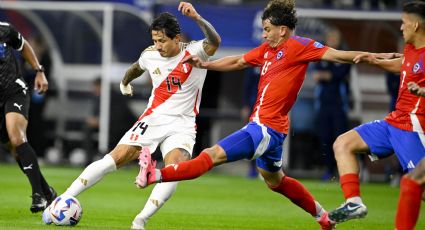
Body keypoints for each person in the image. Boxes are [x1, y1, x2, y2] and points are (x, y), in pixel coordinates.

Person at [135, 1, 375, 229]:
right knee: (276, 181)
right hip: (272, 130)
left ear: (282, 30)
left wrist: (373, 57)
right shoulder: (268, 51)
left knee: (212, 154)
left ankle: (155, 174)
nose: (263, 34)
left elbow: (336, 54)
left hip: (264, 129)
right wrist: (206, 65)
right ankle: (324, 218)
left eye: (267, 30)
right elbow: (239, 61)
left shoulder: (299, 46)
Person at [44, 2, 221, 229]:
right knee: (112, 160)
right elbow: (137, 67)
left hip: (183, 125)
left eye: (162, 41)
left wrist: (196, 17)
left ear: (177, 38)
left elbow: (215, 41)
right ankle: (60, 202)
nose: (157, 46)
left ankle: (140, 220)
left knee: (174, 170)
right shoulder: (150, 54)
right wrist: (125, 82)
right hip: (152, 119)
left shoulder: (195, 51)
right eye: (154, 41)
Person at [327, 1, 425, 225]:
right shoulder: (411, 49)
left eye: (403, 23)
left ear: (416, 25)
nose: (401, 28)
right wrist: (374, 60)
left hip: (413, 127)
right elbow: (405, 65)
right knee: (343, 144)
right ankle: (354, 202)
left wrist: (422, 91)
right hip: (394, 122)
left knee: (418, 185)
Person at [0, 21, 56, 212]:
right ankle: (48, 192)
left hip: (14, 90)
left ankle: (38, 196)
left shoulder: (4, 29)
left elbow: (23, 46)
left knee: (17, 137)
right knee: (15, 150)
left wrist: (39, 71)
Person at [312, 28, 351, 181]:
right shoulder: (321, 56)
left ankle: (342, 171)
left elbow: (339, 75)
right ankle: (328, 170)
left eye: (335, 37)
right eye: (330, 37)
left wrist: (328, 75)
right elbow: (318, 74)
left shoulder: (344, 57)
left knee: (340, 138)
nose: (333, 40)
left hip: (339, 105)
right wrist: (329, 75)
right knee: (324, 138)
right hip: (323, 105)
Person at [82, 77, 136, 164]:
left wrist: (100, 121)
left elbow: (119, 116)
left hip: (120, 126)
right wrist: (95, 120)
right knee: (87, 127)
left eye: (96, 87)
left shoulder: (115, 97)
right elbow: (97, 114)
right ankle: (88, 159)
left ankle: (112, 157)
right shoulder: (98, 98)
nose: (93, 90)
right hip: (107, 126)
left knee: (112, 131)